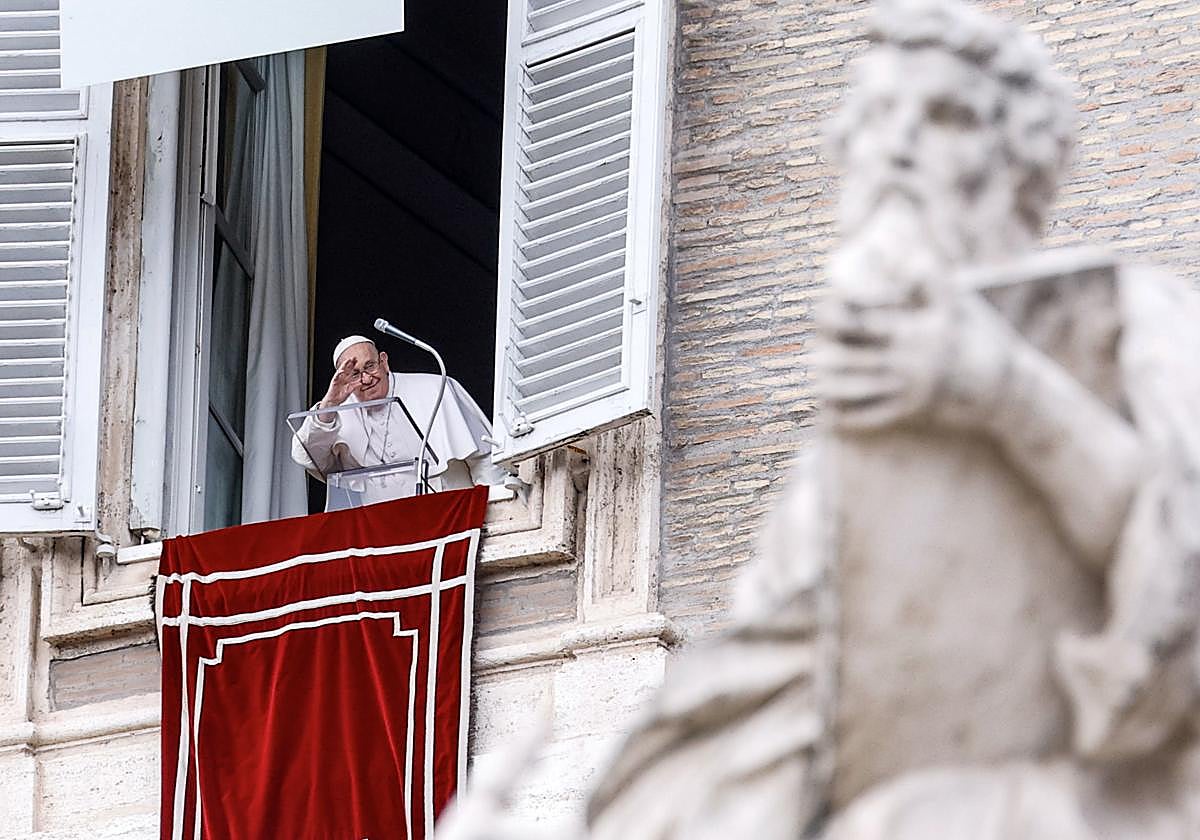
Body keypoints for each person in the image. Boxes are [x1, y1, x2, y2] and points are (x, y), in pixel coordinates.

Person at [291, 335, 512, 504]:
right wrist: (330, 404)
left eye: (370, 366)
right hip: (386, 535)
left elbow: (484, 458)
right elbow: (308, 457)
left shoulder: (435, 389)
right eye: (354, 374)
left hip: (451, 518)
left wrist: (494, 509)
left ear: (384, 361)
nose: (367, 379)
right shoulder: (335, 412)